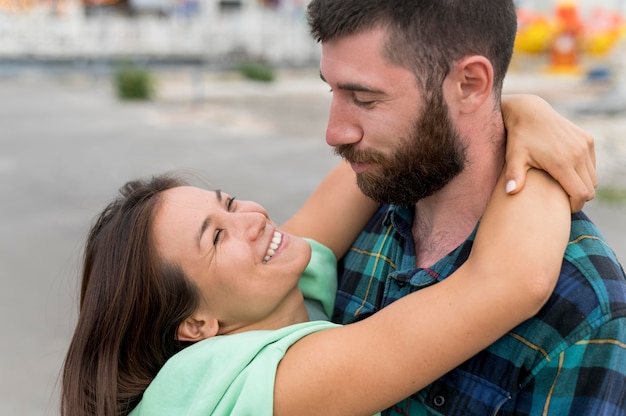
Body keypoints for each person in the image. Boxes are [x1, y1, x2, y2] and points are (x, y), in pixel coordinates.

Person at [306, 0, 626, 414]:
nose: (334, 132)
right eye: (332, 90)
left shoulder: (583, 305)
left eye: (364, 99)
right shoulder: (359, 210)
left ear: (471, 84)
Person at [61, 159, 570, 416]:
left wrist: (511, 109)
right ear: (196, 324)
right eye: (217, 236)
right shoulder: (242, 385)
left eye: (231, 202)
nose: (253, 220)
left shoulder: (266, 293)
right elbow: (512, 279)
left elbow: (380, 148)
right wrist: (542, 153)